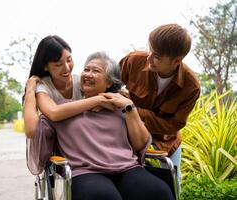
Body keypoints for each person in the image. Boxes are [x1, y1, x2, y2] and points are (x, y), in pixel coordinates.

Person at [27, 52, 174, 200]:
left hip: (128, 168)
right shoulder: (63, 109)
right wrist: (30, 92)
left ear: (109, 82)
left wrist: (130, 108)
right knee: (102, 196)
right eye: (86, 69)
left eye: (96, 71)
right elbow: (34, 130)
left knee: (157, 192)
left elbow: (140, 144)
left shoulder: (120, 106)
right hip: (86, 172)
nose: (88, 74)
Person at [118, 23, 201, 188]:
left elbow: (172, 126)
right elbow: (110, 83)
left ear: (176, 61)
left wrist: (133, 110)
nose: (149, 58)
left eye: (157, 57)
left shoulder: (191, 87)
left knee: (171, 187)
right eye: (151, 50)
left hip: (165, 143)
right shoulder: (133, 61)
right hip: (127, 135)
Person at [23, 35, 113, 139]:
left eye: (69, 60)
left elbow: (111, 99)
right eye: (58, 64)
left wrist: (106, 100)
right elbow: (32, 130)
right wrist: (30, 89)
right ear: (45, 67)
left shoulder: (82, 81)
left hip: (87, 139)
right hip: (60, 147)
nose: (66, 68)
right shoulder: (43, 87)